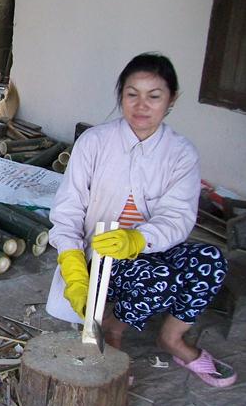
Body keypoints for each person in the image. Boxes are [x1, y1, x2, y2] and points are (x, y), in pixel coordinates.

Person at [46, 52, 235, 387]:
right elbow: (68, 209)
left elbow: (178, 217)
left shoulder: (181, 153)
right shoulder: (95, 143)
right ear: (121, 95)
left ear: (172, 100)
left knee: (211, 260)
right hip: (100, 257)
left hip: (149, 250)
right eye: (132, 94)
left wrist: (138, 239)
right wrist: (74, 266)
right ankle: (110, 329)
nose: (141, 105)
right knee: (155, 276)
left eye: (154, 96)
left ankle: (172, 339)